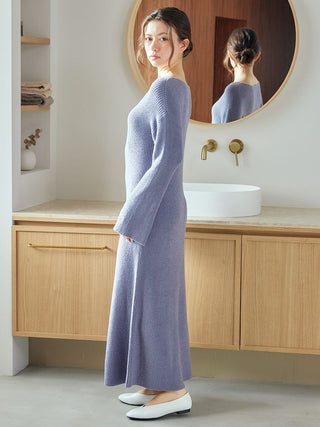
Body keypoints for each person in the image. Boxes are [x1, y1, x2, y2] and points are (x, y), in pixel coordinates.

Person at [104, 7, 193, 421]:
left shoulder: (168, 89)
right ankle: (158, 382)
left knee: (154, 298)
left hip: (154, 213)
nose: (154, 47)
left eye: (164, 38)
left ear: (183, 44)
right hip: (157, 210)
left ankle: (174, 391)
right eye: (149, 38)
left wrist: (133, 215)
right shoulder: (167, 86)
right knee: (154, 296)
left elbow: (169, 158)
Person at [211, 27, 263, 124]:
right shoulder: (256, 85)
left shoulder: (233, 91)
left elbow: (229, 135)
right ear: (257, 55)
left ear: (230, 55)